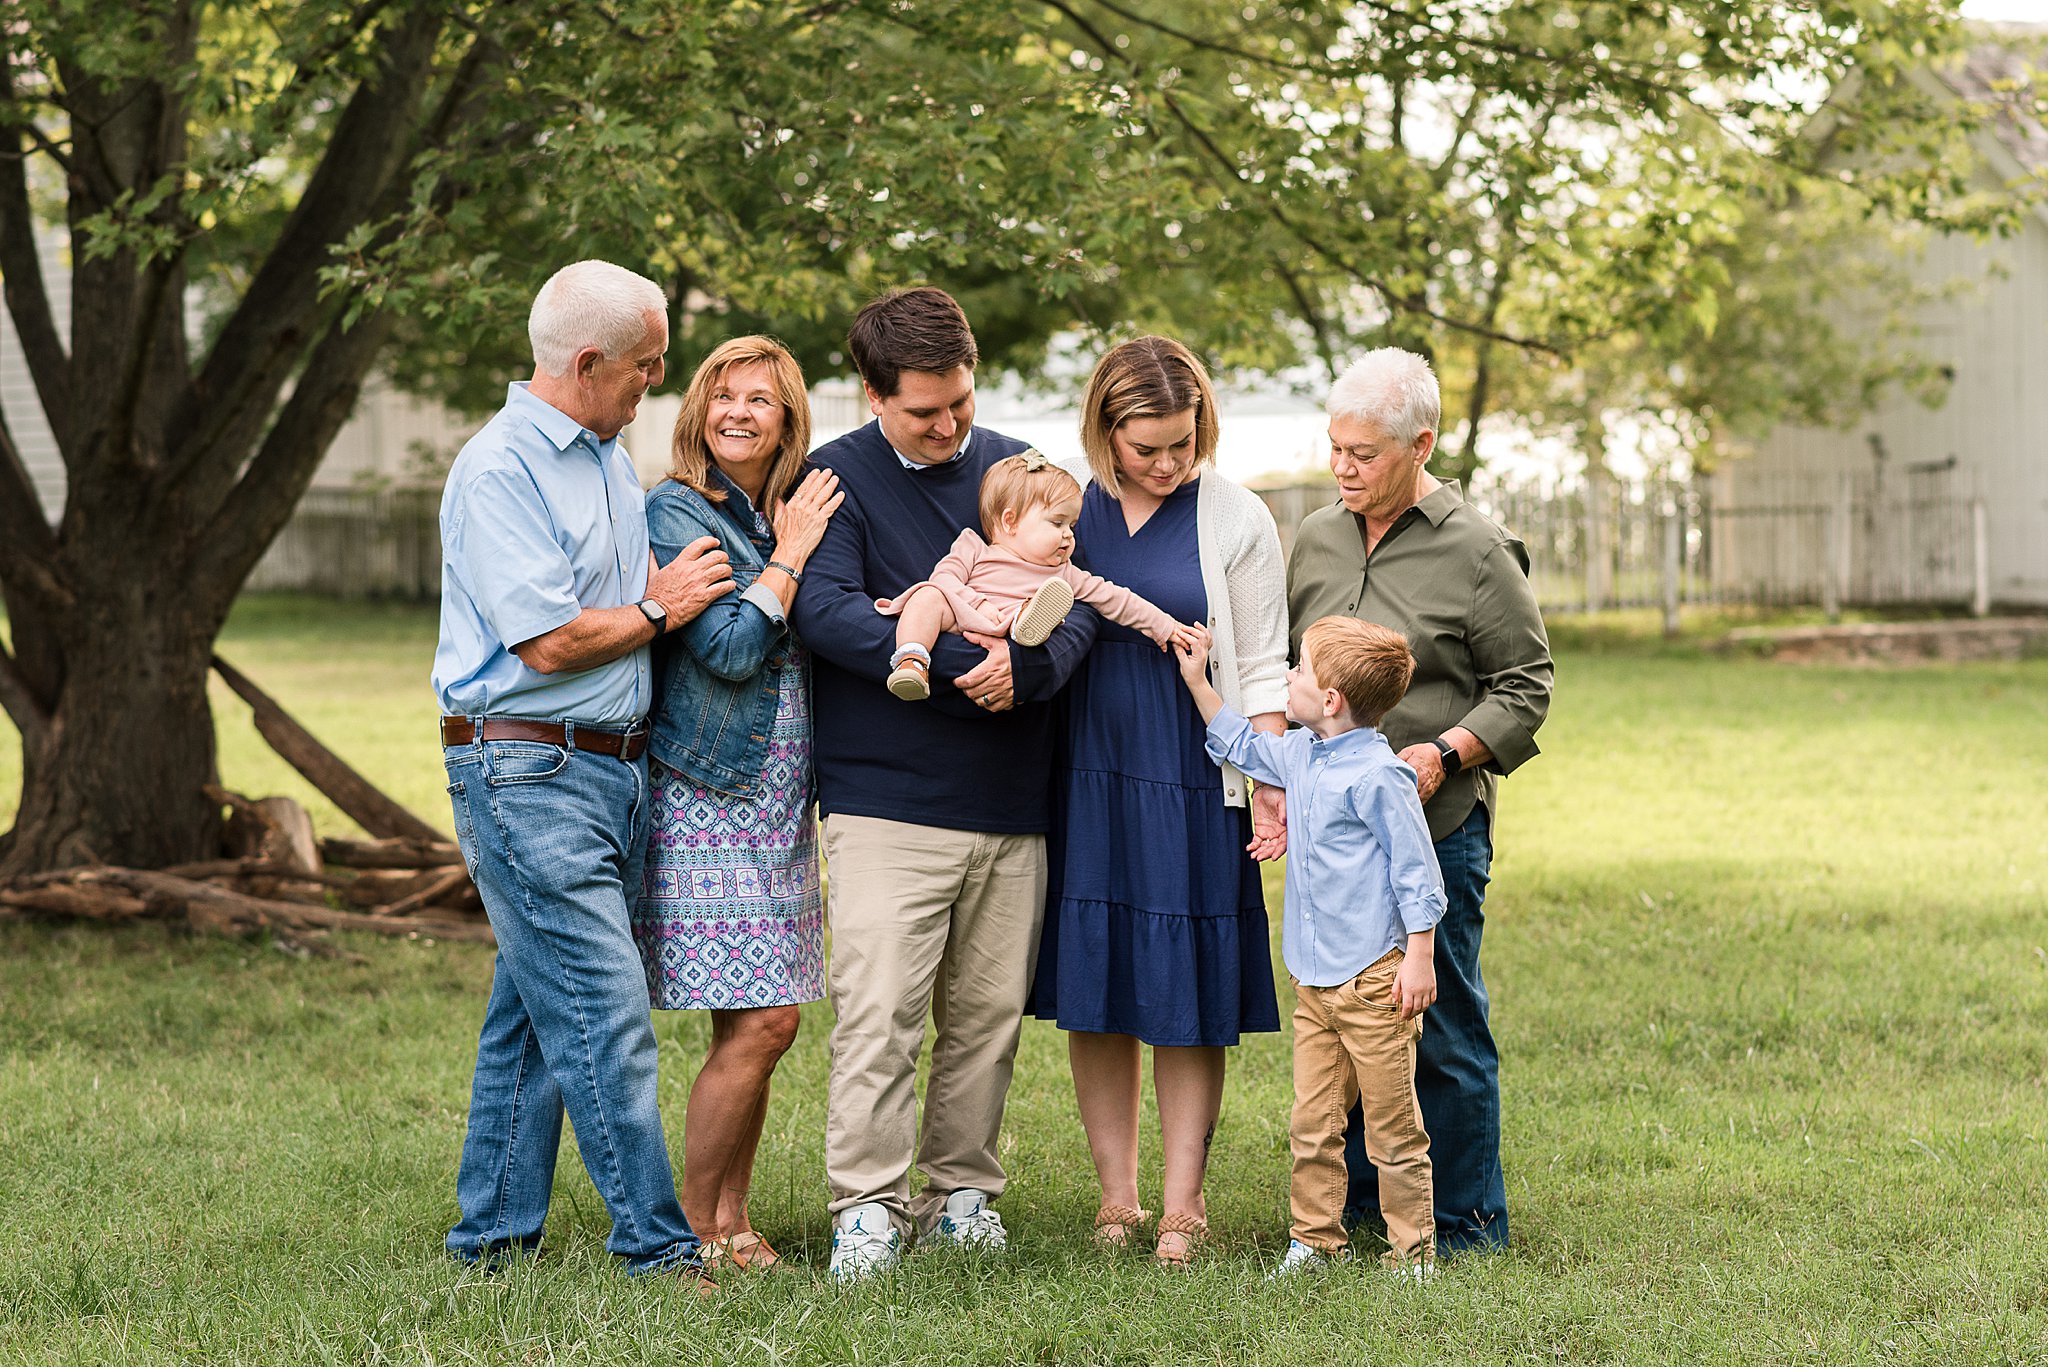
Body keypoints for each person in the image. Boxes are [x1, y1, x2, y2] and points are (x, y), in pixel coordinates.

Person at [434, 260, 737, 1282]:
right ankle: (656, 1249)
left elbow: (603, 605)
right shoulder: (500, 469)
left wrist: (648, 597)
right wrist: (662, 608)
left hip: (610, 771)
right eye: (646, 368)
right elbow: (550, 641)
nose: (655, 384)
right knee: (606, 1015)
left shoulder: (606, 455)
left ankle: (490, 1238)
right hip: (526, 771)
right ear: (587, 360)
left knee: (531, 1015)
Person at [789, 287, 1100, 1280]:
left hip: (1011, 800)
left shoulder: (1018, 472)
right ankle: (867, 1210)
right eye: (924, 409)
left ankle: (961, 1192)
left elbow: (1078, 603)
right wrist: (971, 667)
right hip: (885, 800)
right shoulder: (833, 478)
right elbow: (827, 614)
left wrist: (1037, 667)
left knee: (983, 1014)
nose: (948, 423)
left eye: (959, 399)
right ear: (871, 393)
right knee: (879, 1009)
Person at [1025, 335, 1288, 1266]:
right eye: (1149, 447)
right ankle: (1116, 1198)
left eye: (1185, 442)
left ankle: (1185, 1203)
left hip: (1192, 774)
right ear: (1105, 431)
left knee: (1186, 984)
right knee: (1097, 988)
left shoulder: (1237, 515)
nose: (1171, 463)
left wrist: (1268, 784)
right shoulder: (1064, 507)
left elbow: (1262, 663)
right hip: (1084, 772)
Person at [1285, 347, 1553, 1256]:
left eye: (1362, 452)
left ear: (1420, 444)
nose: (1342, 467)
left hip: (1431, 829)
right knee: (1341, 1030)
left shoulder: (1479, 551)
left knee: (1436, 1026)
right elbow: (1298, 680)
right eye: (1335, 447)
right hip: (1333, 851)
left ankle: (1468, 1223)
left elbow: (1525, 685)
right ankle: (1364, 1213)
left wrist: (1446, 751)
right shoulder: (1316, 539)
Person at [630, 336, 843, 1274]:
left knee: (752, 1018)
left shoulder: (782, 508)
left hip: (780, 799)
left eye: (761, 398)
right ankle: (690, 1225)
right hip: (711, 794)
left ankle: (732, 1219)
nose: (739, 412)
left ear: (789, 416)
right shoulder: (680, 506)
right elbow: (724, 647)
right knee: (767, 1021)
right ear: (698, 412)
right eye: (724, 395)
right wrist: (791, 557)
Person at [1177, 616, 1444, 1278]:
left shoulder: (1381, 777)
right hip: (1314, 983)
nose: (1287, 677)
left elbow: (1418, 875)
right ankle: (1315, 1242)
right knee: (1313, 1123)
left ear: (1330, 700)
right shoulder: (1299, 753)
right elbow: (1240, 741)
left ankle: (1413, 1254)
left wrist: (1419, 956)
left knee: (1392, 1129)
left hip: (1376, 980)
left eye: (1297, 668)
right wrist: (1197, 679)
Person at [876, 449, 1197, 699]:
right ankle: (911, 661)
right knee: (928, 596)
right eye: (1057, 523)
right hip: (962, 614)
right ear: (1010, 521)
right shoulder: (973, 546)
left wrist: (1165, 626)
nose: (1069, 535)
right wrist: (978, 605)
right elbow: (944, 578)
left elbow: (1116, 599)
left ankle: (1029, 624)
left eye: (1072, 526)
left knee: (1044, 609)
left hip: (1011, 625)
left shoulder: (1063, 574)